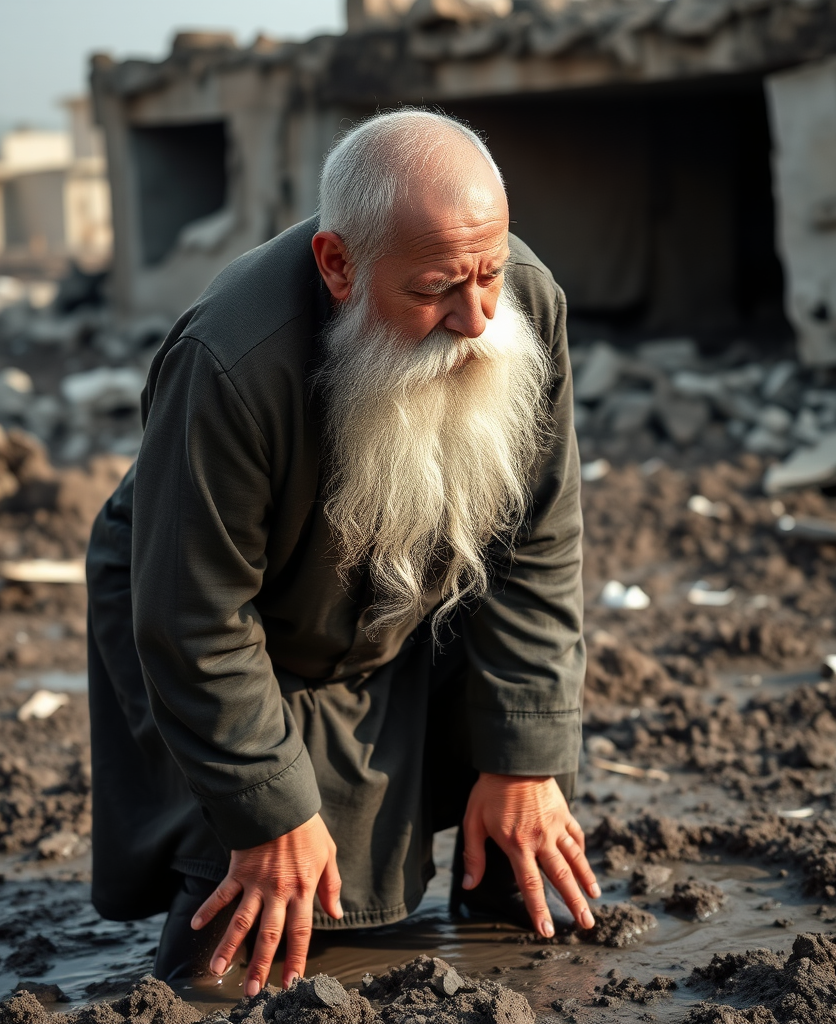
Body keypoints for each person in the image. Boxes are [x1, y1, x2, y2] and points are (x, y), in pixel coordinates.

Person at [85, 108, 597, 997]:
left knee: (524, 887)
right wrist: (270, 811)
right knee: (234, 964)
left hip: (411, 607)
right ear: (338, 266)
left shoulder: (519, 304)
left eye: (489, 273)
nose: (475, 319)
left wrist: (523, 758)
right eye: (437, 287)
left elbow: (538, 539)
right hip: (242, 642)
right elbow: (194, 616)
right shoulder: (230, 362)